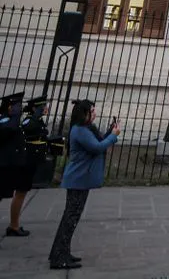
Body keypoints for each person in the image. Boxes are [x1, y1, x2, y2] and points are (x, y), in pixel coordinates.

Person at [48, 99, 119, 270]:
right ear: (84, 113)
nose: (94, 113)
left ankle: (61, 252)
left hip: (81, 180)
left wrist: (110, 132)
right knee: (70, 218)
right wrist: (113, 135)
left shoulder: (84, 129)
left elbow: (100, 142)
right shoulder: (80, 130)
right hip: (78, 180)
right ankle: (59, 257)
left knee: (71, 218)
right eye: (92, 111)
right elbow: (97, 147)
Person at [9, 94, 54, 238]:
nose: (45, 109)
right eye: (43, 107)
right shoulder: (30, 120)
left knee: (22, 192)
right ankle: (13, 226)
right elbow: (25, 129)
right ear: (35, 108)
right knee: (20, 192)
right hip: (25, 162)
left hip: (30, 162)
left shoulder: (37, 120)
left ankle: (14, 224)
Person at [1, 93, 29, 230]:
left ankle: (14, 226)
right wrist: (15, 116)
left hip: (10, 166)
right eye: (17, 106)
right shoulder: (4, 121)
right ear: (9, 107)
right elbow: (10, 128)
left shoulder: (12, 121)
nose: (20, 108)